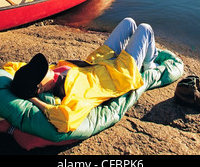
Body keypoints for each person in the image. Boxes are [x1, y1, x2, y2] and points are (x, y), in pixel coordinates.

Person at [9, 17, 158, 133]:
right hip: (119, 74)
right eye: (42, 73)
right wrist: (33, 99)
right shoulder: (73, 95)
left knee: (129, 22)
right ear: (41, 88)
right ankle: (150, 65)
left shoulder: (53, 70)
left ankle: (137, 53)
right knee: (145, 29)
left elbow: (11, 67)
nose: (46, 68)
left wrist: (16, 81)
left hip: (102, 59)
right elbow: (65, 121)